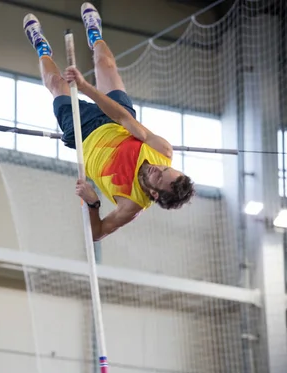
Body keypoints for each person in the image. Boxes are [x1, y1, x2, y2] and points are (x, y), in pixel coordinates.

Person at [23, 3, 195, 241]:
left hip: (85, 135)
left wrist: (93, 203)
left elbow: (97, 233)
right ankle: (95, 34)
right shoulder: (162, 151)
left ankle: (41, 48)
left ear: (154, 194)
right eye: (165, 169)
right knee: (106, 65)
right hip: (116, 120)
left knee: (56, 83)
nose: (158, 168)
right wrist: (85, 86)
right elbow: (121, 117)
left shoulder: (130, 205)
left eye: (158, 177)